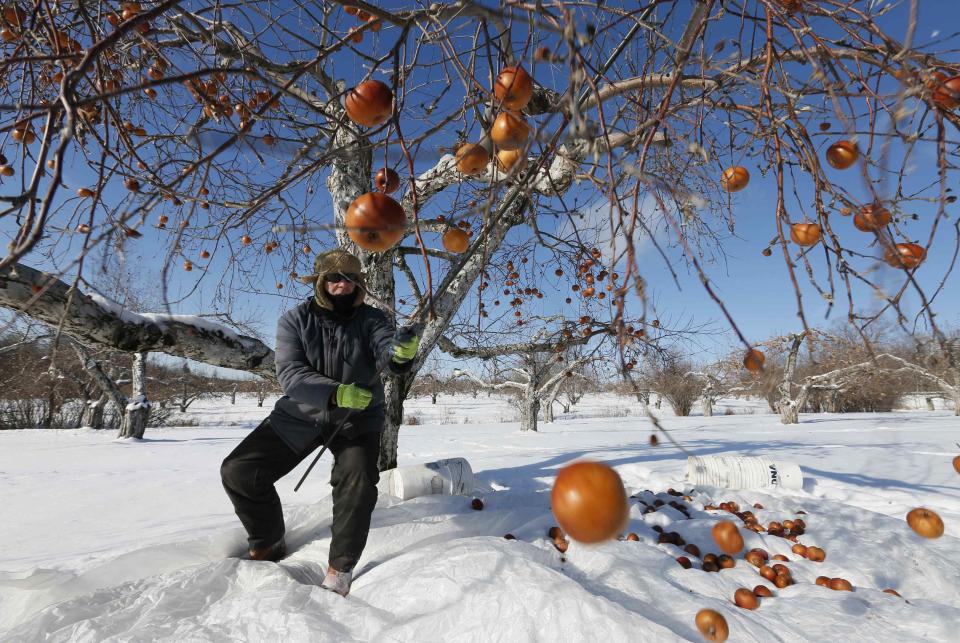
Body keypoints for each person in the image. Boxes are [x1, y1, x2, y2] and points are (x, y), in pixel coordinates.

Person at [220, 248, 419, 597]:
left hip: (357, 420)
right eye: (333, 278)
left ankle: (340, 568)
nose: (341, 284)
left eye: (348, 278)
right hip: (302, 414)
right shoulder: (294, 320)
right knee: (239, 470)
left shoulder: (373, 320)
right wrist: (336, 393)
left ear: (358, 283)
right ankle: (268, 540)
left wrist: (401, 354)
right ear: (320, 282)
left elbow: (387, 352)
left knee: (356, 481)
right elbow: (291, 374)